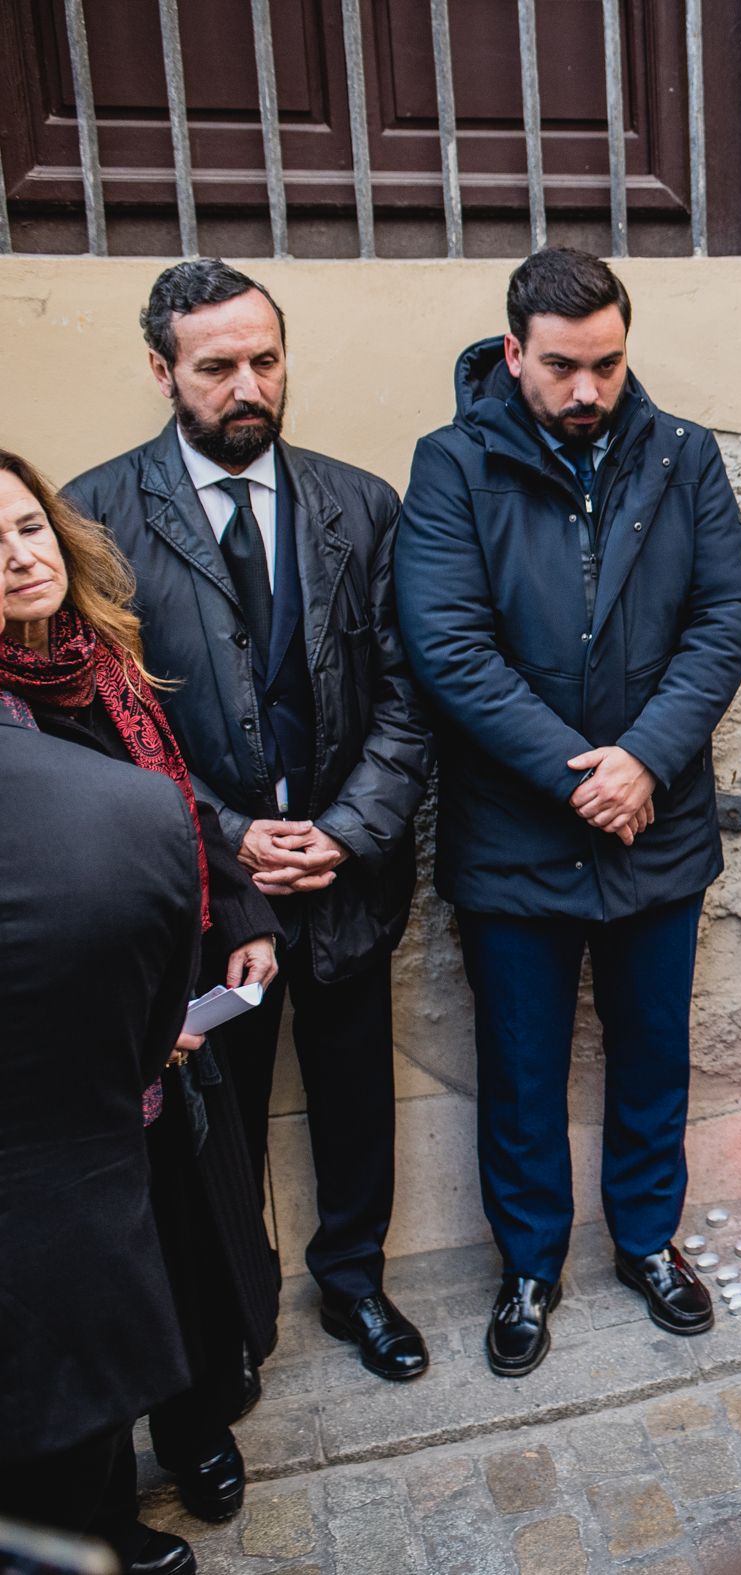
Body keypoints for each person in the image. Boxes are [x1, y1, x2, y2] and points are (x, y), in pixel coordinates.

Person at [63, 259, 432, 1386]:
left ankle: (357, 1285)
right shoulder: (95, 515)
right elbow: (102, 719)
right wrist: (224, 837)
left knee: (356, 1095)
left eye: (263, 360)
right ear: (162, 370)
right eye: (216, 366)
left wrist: (350, 827)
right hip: (202, 892)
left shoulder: (361, 502)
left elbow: (414, 694)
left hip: (346, 876)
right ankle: (223, 1337)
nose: (246, 386)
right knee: (207, 1129)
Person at [395, 247, 741, 1377]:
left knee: (653, 1054)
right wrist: (578, 772)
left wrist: (645, 761)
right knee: (522, 1066)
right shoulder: (452, 465)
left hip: (657, 822)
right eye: (561, 366)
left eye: (605, 362)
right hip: (516, 836)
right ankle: (527, 1267)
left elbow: (725, 614)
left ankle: (648, 1243)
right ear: (514, 354)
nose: (587, 389)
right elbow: (447, 647)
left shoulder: (682, 454)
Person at [1, 448, 279, 1575]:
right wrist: (135, 1012)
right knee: (94, 1283)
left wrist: (240, 909)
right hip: (78, 1063)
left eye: (25, 528)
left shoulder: (97, 658)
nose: (19, 558)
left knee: (188, 1237)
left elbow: (178, 800)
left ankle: (198, 1427)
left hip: (175, 1021)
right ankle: (98, 1507)